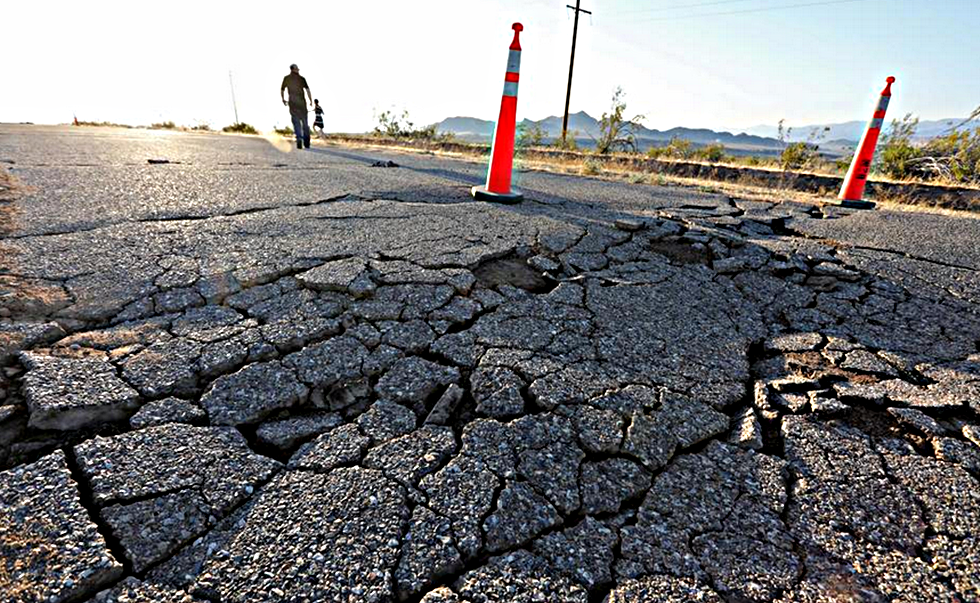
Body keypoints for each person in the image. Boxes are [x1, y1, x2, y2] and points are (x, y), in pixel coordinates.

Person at [280, 64, 312, 149]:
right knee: (305, 122)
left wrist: (283, 99)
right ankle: (306, 142)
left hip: (292, 101)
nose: (299, 70)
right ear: (294, 69)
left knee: (296, 121)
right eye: (297, 69)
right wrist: (310, 100)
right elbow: (308, 90)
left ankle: (299, 138)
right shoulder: (302, 79)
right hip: (301, 102)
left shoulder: (286, 78)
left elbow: (282, 89)